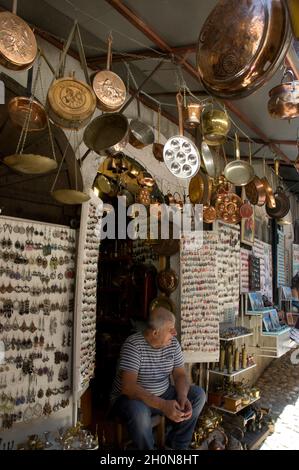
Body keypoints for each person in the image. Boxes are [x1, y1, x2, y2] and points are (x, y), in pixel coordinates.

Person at [110, 307, 206, 450]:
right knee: (139, 413)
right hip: (132, 399)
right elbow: (128, 387)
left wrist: (182, 396)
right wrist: (163, 405)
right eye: (170, 329)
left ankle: (176, 445)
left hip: (163, 394)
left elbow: (180, 374)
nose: (175, 333)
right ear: (155, 333)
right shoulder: (133, 345)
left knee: (198, 395)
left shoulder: (172, 343)